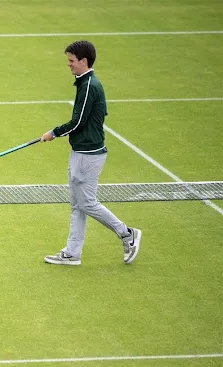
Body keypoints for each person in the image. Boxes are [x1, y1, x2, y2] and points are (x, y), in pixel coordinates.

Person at [41, 40, 141, 265]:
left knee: (87, 203)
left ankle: (127, 234)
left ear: (83, 61)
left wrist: (53, 133)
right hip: (80, 151)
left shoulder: (89, 86)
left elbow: (78, 123)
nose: (69, 65)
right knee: (77, 205)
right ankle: (72, 253)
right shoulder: (83, 83)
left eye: (71, 61)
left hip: (90, 154)